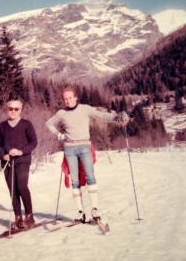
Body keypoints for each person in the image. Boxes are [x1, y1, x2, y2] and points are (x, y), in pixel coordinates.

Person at [46, 85, 126, 223]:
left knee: (90, 177)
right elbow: (49, 123)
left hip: (84, 147)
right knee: (75, 180)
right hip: (70, 149)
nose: (68, 101)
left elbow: (101, 115)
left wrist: (116, 117)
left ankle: (95, 210)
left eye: (70, 98)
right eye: (65, 99)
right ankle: (80, 212)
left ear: (75, 97)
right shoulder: (61, 113)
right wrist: (58, 135)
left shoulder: (85, 109)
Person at [0, 99, 37, 229]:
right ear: (7, 110)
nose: (13, 111)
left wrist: (21, 151)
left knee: (22, 186)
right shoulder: (1, 126)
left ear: (20, 110)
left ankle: (29, 216)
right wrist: (3, 155)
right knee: (13, 191)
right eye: (10, 109)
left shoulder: (27, 124)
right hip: (7, 162)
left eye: (16, 109)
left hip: (22, 160)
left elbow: (34, 142)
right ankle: (18, 218)